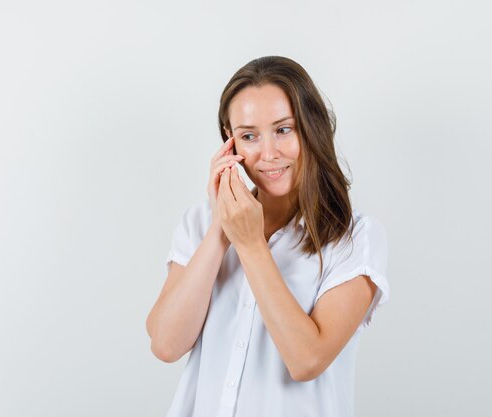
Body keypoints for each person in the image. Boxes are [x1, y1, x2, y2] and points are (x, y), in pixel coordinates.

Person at [145, 56, 390, 417]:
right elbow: (165, 344)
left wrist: (250, 244)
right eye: (249, 136)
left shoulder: (354, 238)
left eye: (283, 129)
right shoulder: (199, 223)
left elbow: (306, 359)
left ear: (311, 129)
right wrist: (221, 231)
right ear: (230, 146)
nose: (269, 153)